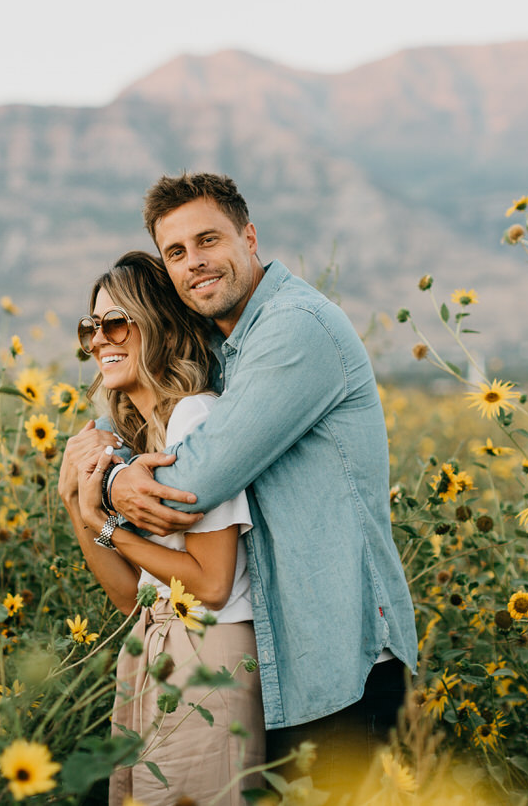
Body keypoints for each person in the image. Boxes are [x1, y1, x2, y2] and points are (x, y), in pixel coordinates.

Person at [62, 173, 417, 788]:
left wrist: (108, 492)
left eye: (208, 241)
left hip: (342, 656)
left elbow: (191, 483)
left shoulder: (293, 329)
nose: (194, 262)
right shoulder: (220, 343)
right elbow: (123, 411)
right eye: (176, 252)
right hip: (283, 657)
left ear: (249, 237)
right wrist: (93, 453)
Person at [63, 250, 264, 805]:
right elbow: (132, 598)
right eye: (91, 328)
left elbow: (210, 585)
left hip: (207, 653)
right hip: (155, 643)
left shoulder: (195, 418)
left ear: (160, 325)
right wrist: (77, 504)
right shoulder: (144, 437)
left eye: (116, 323)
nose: (100, 340)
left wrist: (106, 525)